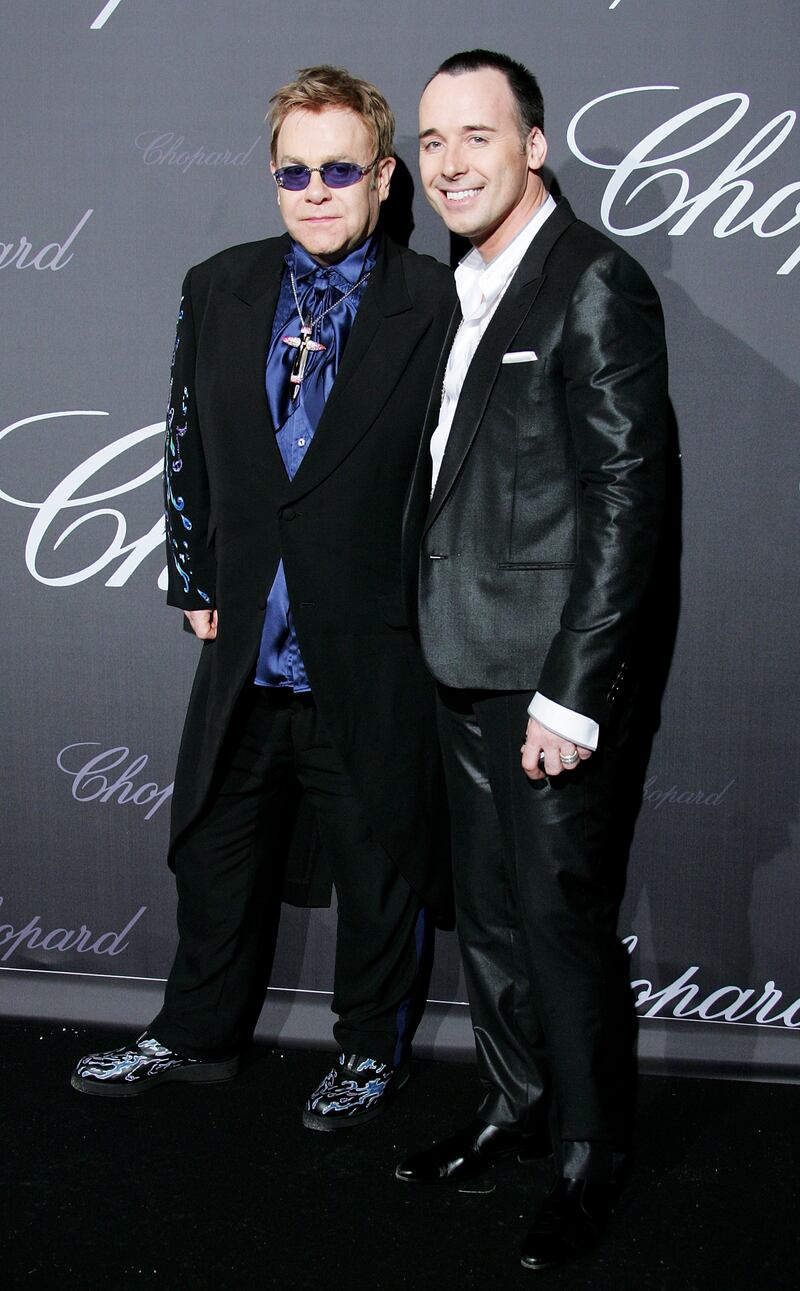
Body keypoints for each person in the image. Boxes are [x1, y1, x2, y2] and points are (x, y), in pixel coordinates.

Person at [71, 65, 455, 1130]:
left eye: (340, 169)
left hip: (368, 638)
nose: (316, 190)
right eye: (295, 171)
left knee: (377, 856)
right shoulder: (219, 282)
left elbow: (458, 475)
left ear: (383, 177)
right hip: (245, 639)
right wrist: (194, 578)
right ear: (273, 178)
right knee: (213, 844)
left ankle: (370, 1050)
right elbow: (185, 441)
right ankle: (194, 1034)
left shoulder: (435, 302)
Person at [395, 50, 669, 1269]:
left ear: (534, 146)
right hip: (458, 659)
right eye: (432, 140)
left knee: (558, 922)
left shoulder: (593, 281)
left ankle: (589, 1158)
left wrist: (573, 692)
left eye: (476, 137)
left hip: (549, 680)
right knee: (493, 919)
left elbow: (626, 500)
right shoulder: (465, 282)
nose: (449, 163)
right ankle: (513, 1108)